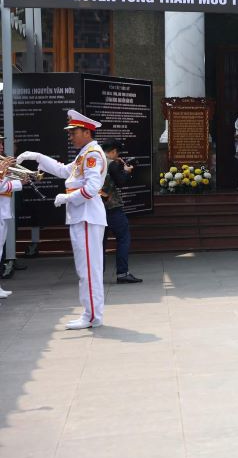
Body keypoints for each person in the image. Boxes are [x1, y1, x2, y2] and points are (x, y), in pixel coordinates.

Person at [18, 110, 109, 329]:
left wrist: (67, 197)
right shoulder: (84, 154)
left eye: (73, 132)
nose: (70, 137)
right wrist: (38, 157)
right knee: (85, 268)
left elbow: (92, 188)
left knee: (88, 269)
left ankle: (92, 316)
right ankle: (90, 313)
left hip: (87, 216)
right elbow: (62, 170)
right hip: (81, 216)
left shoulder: (92, 154)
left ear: (86, 132)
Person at [100, 139, 142, 284]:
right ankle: (123, 273)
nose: (118, 156)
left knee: (100, 244)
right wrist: (127, 171)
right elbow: (121, 182)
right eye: (117, 152)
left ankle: (97, 276)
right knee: (123, 238)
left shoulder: (95, 161)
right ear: (113, 151)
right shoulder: (111, 164)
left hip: (96, 209)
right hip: (112, 208)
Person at [0, 135, 25, 301]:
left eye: (1, 143)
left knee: (0, 250)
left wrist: (18, 175)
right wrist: (18, 184)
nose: (1, 147)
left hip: (3, 210)